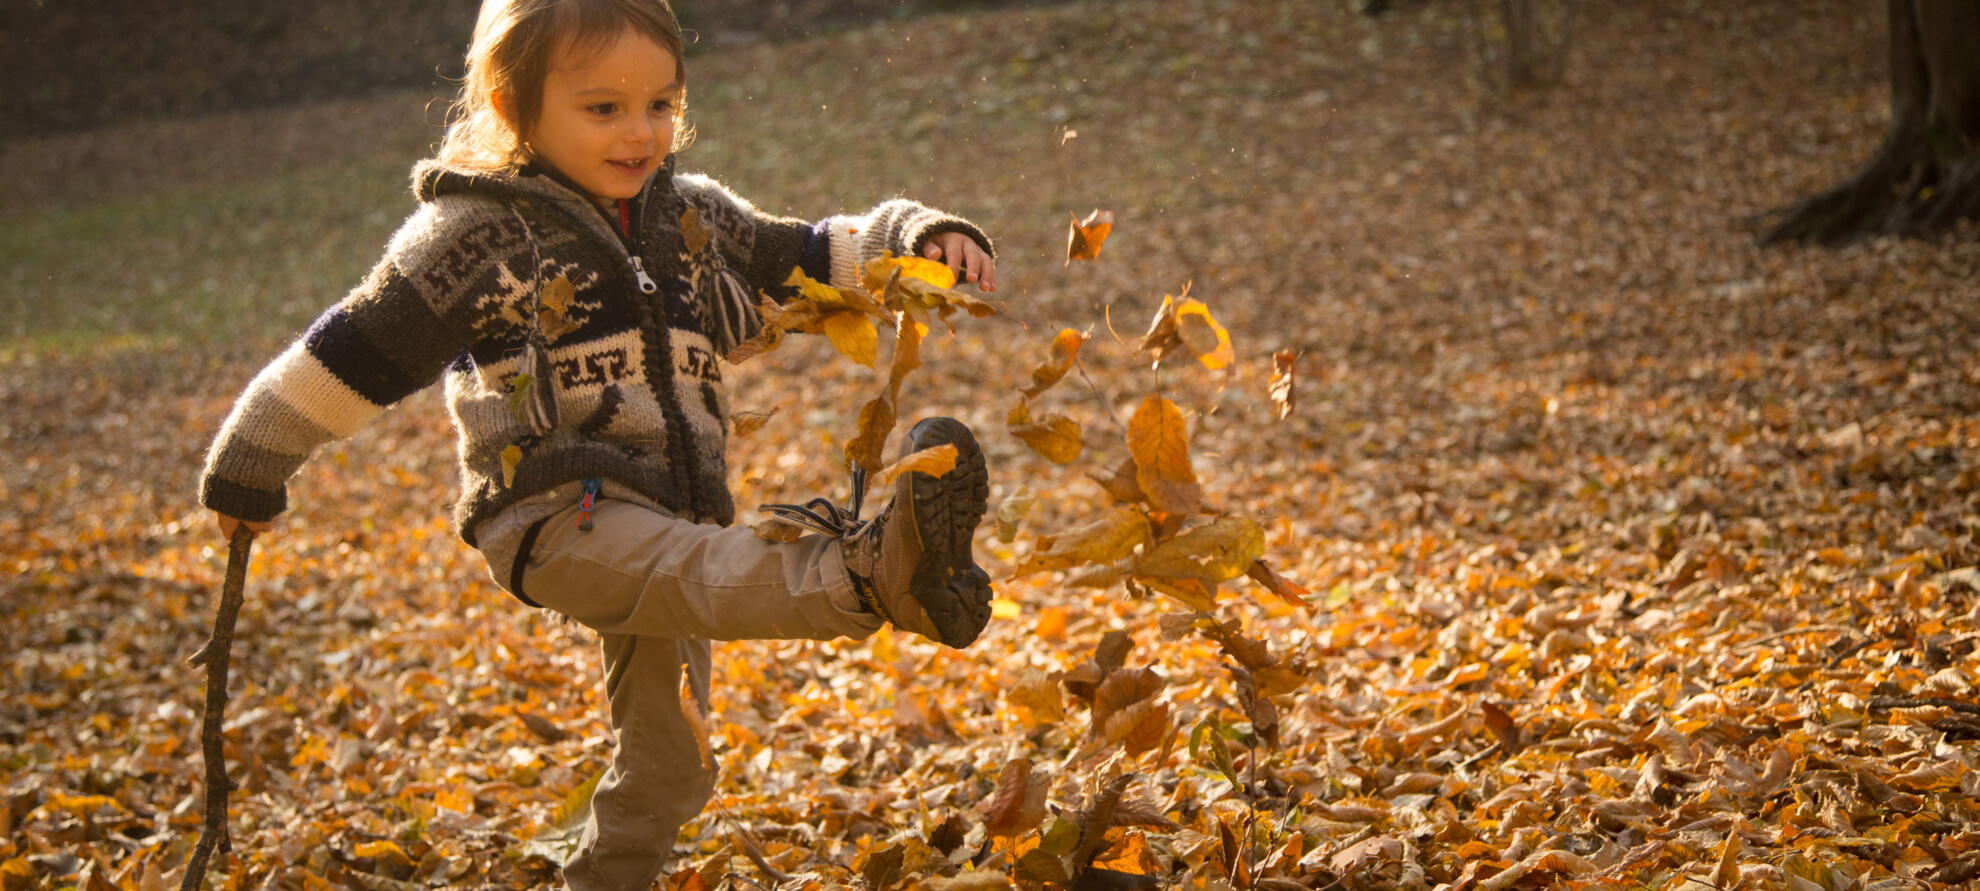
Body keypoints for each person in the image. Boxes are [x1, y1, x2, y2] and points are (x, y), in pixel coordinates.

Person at [197, 0, 1000, 886]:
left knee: (673, 765)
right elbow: (343, 360)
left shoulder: (688, 216)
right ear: (514, 109)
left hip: (671, 513)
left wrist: (917, 240)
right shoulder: (471, 238)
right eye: (603, 107)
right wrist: (247, 470)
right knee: (708, 571)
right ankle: (873, 571)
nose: (640, 132)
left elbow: (803, 253)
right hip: (555, 512)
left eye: (661, 104)